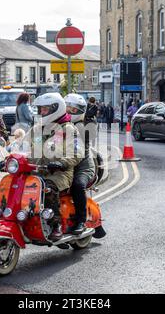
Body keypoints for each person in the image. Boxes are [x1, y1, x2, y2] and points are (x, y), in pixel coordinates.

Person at [29, 93, 84, 240]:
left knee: (47, 188)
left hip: (60, 173)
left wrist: (62, 163)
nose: (41, 113)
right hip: (38, 170)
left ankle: (55, 224)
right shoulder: (37, 129)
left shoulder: (69, 129)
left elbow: (77, 152)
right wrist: (10, 157)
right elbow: (22, 145)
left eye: (44, 110)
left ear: (55, 109)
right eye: (40, 110)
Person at [65, 94, 96, 235]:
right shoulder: (59, 123)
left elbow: (78, 150)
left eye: (72, 109)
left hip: (83, 166)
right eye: (67, 108)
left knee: (77, 185)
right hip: (66, 165)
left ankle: (81, 221)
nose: (69, 112)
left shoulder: (84, 126)